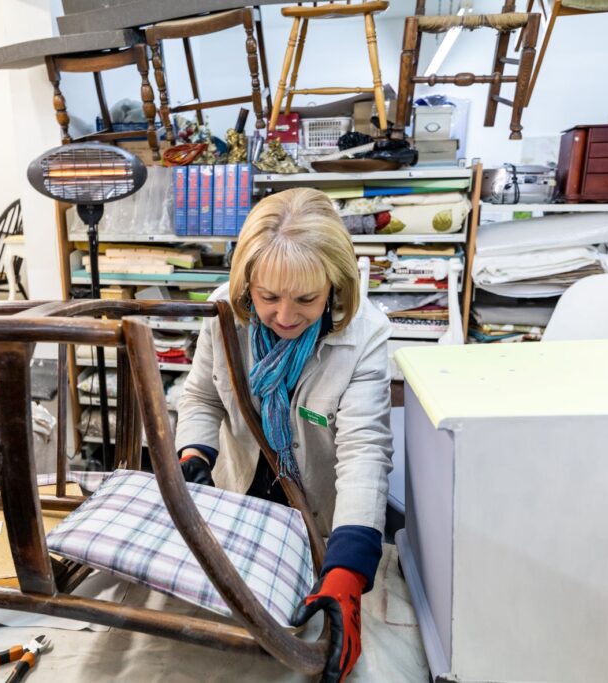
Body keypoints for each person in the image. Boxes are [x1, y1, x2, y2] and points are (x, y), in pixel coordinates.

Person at [175, 187, 393, 682]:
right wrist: (193, 455)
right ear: (246, 283)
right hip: (239, 505)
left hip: (315, 518)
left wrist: (348, 570)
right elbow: (203, 397)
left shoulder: (365, 335)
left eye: (307, 299)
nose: (286, 317)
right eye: (268, 297)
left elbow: (364, 451)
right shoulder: (223, 313)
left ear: (334, 285)